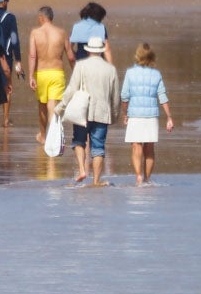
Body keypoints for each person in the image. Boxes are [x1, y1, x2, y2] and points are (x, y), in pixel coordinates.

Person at [59, 35, 120, 186]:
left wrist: (61, 106)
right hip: (102, 113)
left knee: (79, 141)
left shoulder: (81, 66)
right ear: (101, 51)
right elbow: (115, 95)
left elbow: (72, 88)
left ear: (88, 51)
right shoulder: (110, 69)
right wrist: (115, 114)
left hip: (82, 112)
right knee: (98, 147)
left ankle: (81, 169)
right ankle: (96, 180)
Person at [120, 43, 175, 185]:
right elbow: (162, 96)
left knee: (136, 146)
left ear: (137, 56)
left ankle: (138, 175)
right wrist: (169, 116)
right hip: (151, 116)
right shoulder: (156, 74)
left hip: (135, 114)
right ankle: (147, 178)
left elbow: (125, 96)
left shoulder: (130, 73)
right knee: (149, 149)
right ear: (151, 57)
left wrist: (125, 113)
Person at [26, 6, 74, 144]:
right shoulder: (61, 32)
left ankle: (44, 135)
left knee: (42, 105)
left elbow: (32, 55)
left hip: (41, 73)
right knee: (53, 104)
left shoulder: (35, 33)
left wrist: (31, 76)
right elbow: (70, 56)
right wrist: (76, 71)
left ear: (41, 17)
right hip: (56, 73)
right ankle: (54, 133)